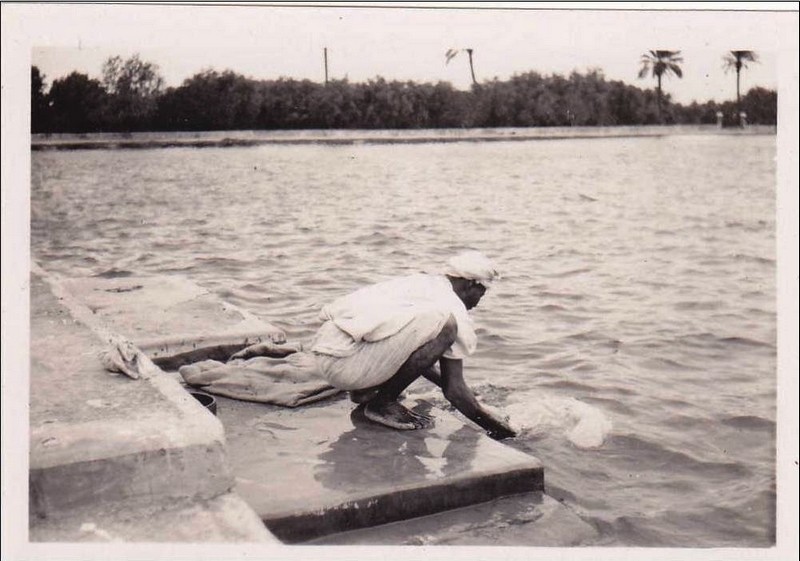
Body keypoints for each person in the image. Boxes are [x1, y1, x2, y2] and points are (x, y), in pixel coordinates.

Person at [309, 250, 517, 440]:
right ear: (471, 284)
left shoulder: (420, 283)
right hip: (346, 365)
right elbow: (454, 391)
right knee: (447, 325)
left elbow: (417, 354)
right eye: (482, 293)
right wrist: (503, 431)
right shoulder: (452, 308)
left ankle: (366, 391)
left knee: (431, 326)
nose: (479, 301)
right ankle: (382, 403)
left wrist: (464, 391)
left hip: (329, 352)